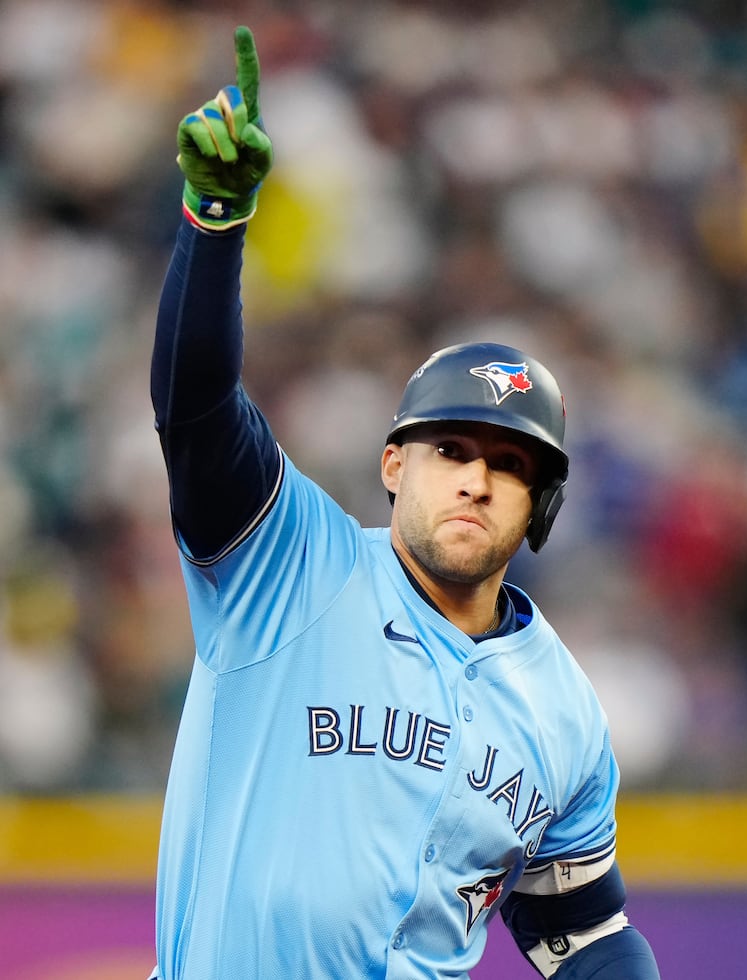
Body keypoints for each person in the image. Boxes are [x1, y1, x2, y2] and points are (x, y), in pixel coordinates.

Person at [148, 25, 660, 980]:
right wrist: (215, 222)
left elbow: (581, 934)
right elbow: (195, 407)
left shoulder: (564, 713)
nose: (475, 478)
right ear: (393, 465)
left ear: (539, 506)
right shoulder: (290, 566)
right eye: (450, 449)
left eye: (509, 466)